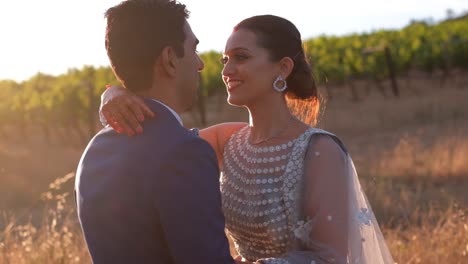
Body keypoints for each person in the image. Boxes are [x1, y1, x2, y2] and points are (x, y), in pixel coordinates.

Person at [100, 14, 394, 264]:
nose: (226, 70)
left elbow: (331, 257)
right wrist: (115, 93)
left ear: (283, 68)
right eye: (225, 59)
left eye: (241, 58)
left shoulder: (319, 149)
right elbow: (161, 146)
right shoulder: (226, 140)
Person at [74, 0, 236, 263]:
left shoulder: (94, 150)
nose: (200, 64)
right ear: (170, 60)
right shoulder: (185, 152)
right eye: (193, 49)